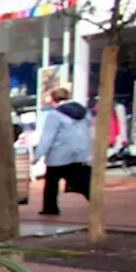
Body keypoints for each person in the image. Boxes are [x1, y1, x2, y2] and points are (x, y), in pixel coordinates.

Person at [35, 86, 93, 215]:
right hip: (80, 153)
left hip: (58, 155)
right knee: (82, 181)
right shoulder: (84, 112)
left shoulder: (55, 114)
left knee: (51, 183)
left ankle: (50, 208)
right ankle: (95, 201)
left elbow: (47, 137)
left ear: (53, 100)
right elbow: (89, 130)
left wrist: (37, 155)